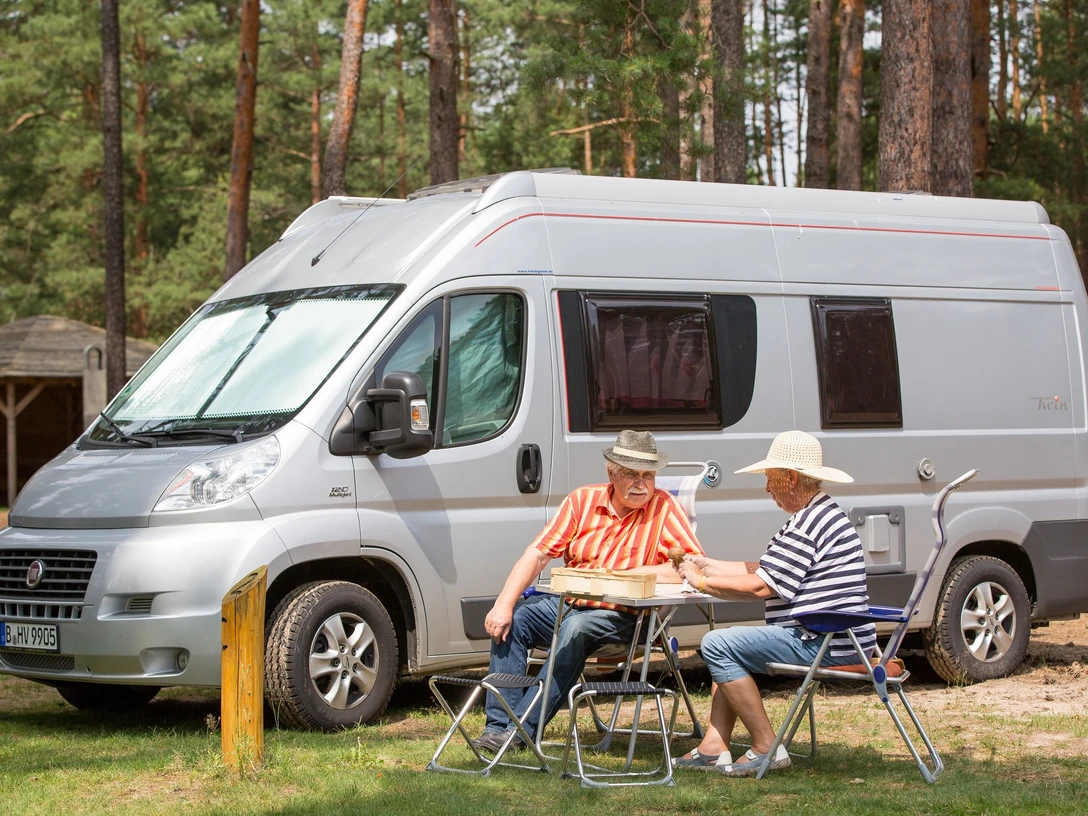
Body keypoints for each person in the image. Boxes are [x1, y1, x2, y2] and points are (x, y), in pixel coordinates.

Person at [473, 429, 705, 753]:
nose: (642, 484)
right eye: (631, 474)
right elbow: (538, 553)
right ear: (611, 472)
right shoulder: (582, 500)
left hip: (624, 617)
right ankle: (498, 727)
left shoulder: (664, 508)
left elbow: (691, 565)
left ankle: (519, 731)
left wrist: (631, 573)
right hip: (567, 602)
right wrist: (503, 604)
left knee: (576, 628)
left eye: (648, 475)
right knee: (516, 618)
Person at [673, 430, 876, 777]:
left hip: (825, 642)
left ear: (791, 479)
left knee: (718, 644)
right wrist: (709, 563)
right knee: (729, 646)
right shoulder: (817, 514)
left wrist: (700, 581)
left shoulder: (808, 523)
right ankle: (712, 747)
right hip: (833, 637)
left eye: (770, 479)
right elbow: (763, 568)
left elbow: (760, 587)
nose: (767, 488)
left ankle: (767, 746)